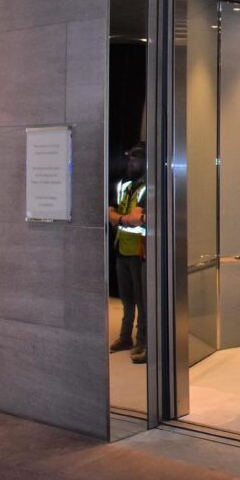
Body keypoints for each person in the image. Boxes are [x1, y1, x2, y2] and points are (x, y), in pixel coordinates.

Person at [108, 142, 147, 365]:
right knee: (126, 299)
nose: (131, 160)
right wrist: (125, 218)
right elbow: (110, 211)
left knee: (141, 301)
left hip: (139, 251)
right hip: (121, 247)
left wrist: (120, 219)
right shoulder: (123, 183)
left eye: (136, 157)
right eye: (130, 157)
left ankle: (141, 340)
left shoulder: (147, 186)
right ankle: (125, 337)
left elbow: (134, 216)